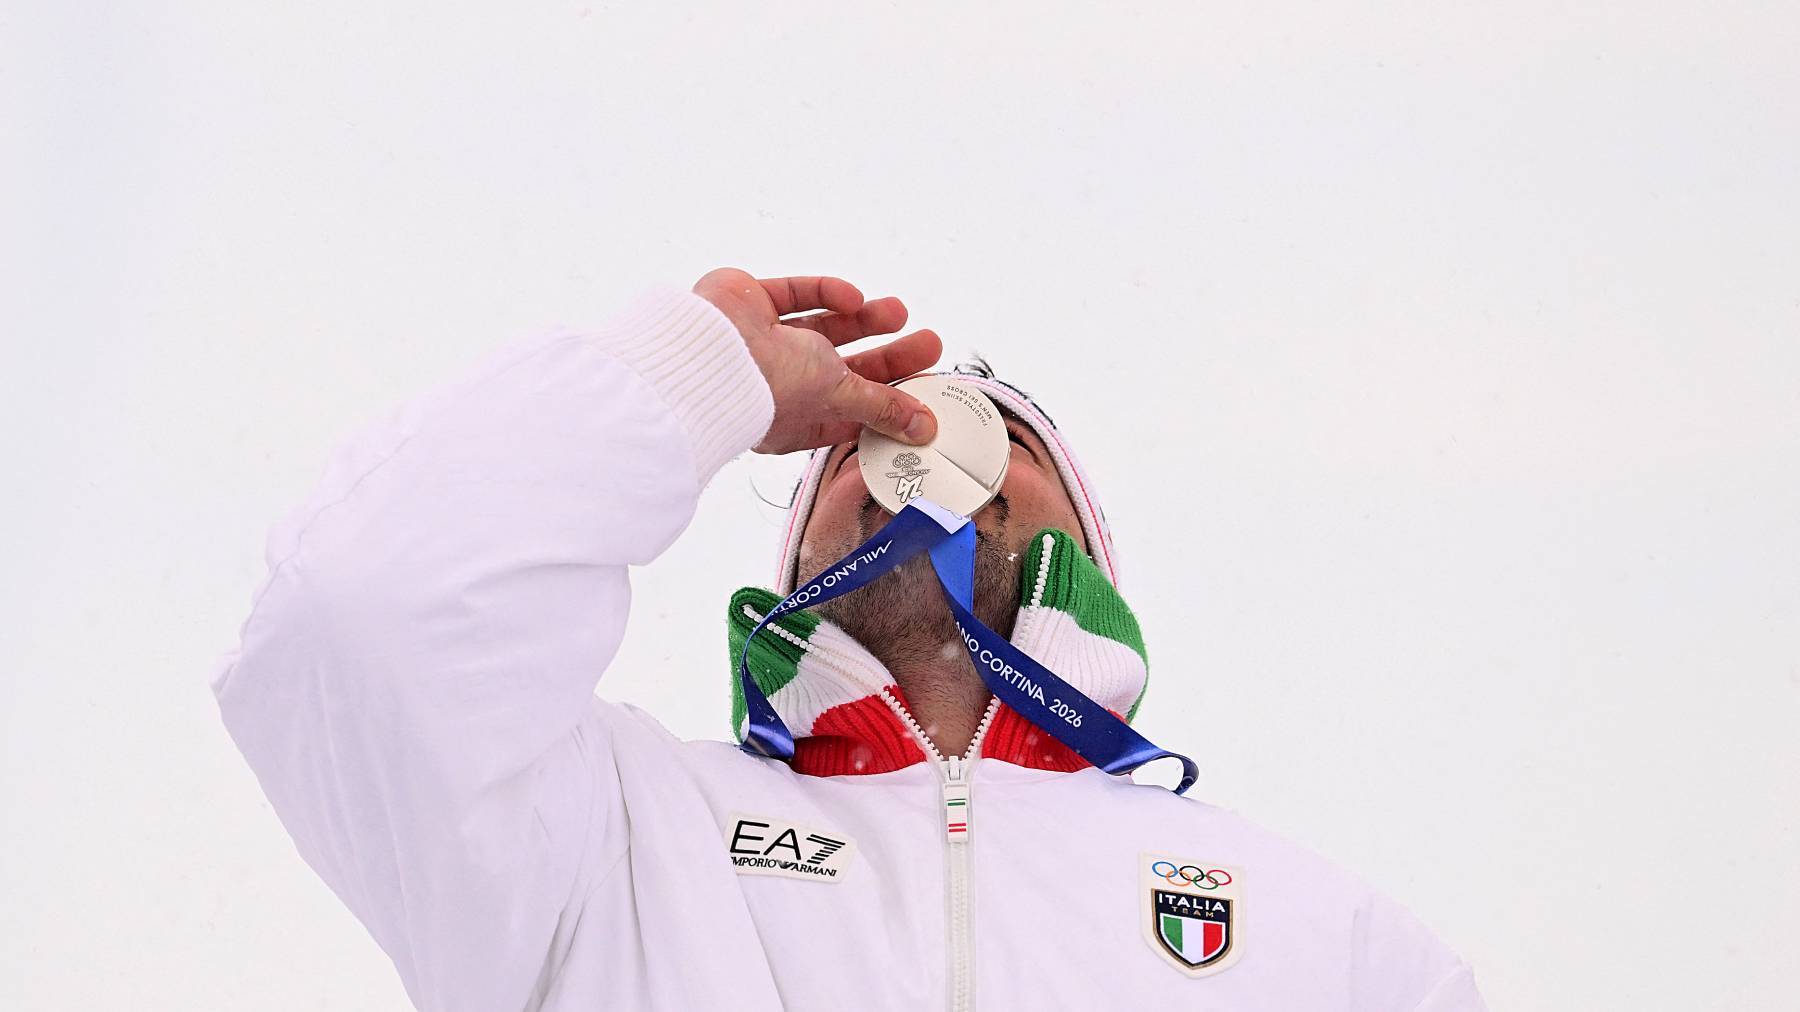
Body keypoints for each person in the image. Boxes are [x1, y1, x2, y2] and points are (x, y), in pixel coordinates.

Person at [210, 267, 1488, 1011]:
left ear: (1089, 553)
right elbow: (360, 619)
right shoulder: (610, 838)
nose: (923, 450)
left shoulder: (1323, 933)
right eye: (860, 447)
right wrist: (692, 378)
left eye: (1006, 445)